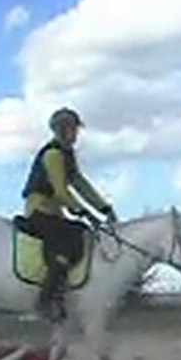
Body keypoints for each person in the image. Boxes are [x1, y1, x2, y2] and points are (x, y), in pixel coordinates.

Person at [21, 107, 117, 319]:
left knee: (80, 233)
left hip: (54, 212)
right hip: (39, 211)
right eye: (73, 130)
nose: (76, 135)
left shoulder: (67, 155)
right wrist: (84, 212)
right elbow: (61, 191)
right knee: (66, 243)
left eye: (76, 130)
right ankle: (46, 300)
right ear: (62, 130)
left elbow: (80, 184)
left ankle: (64, 292)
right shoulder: (53, 154)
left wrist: (104, 208)